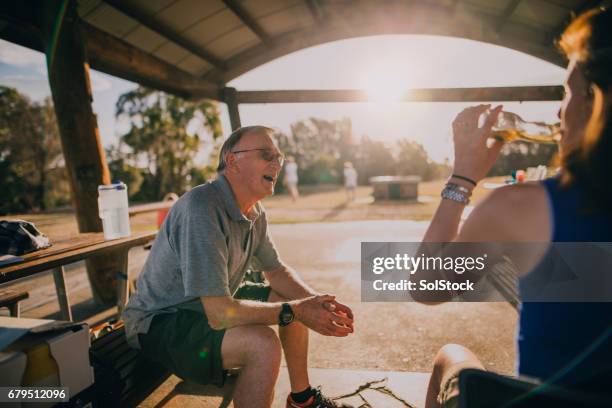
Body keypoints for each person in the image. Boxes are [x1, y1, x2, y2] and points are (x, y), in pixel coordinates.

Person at [414, 8, 612, 407]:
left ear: (596, 104)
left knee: (450, 355)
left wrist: (463, 178)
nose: (559, 112)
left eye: (568, 93)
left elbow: (426, 286)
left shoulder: (523, 207)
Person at [123, 126, 355, 408]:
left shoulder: (255, 211)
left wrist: (318, 303)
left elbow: (277, 272)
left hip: (205, 303)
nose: (276, 164)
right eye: (266, 155)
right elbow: (220, 314)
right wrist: (300, 310)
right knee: (263, 344)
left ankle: (302, 400)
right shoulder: (202, 207)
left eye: (279, 158)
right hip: (160, 320)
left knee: (292, 304)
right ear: (233, 161)